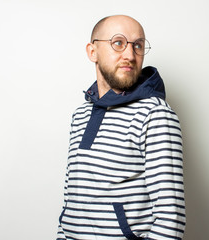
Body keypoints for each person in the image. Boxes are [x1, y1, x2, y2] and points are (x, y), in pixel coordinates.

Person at [56, 15, 185, 240]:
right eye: (118, 43)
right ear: (92, 51)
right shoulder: (80, 115)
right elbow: (71, 199)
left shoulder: (154, 114)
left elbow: (170, 216)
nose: (130, 55)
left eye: (138, 45)